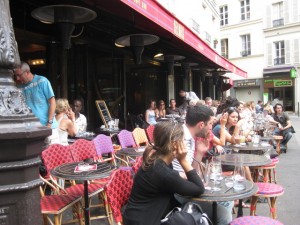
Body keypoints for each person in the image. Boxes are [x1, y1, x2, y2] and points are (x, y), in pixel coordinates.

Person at [123, 121, 205, 225]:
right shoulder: (163, 172)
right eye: (183, 140)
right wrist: (182, 160)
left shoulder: (157, 161)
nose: (185, 144)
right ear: (175, 144)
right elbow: (199, 188)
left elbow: (170, 178)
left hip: (135, 217)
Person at [172, 105, 233, 225]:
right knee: (224, 215)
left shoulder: (190, 137)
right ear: (201, 125)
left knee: (227, 201)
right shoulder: (181, 138)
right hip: (178, 194)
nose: (211, 128)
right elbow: (179, 177)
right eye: (210, 124)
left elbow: (190, 171)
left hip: (187, 187)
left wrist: (200, 152)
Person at [14, 61, 59, 143]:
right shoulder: (19, 87)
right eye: (16, 76)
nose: (17, 78)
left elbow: (52, 102)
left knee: (51, 154)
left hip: (47, 127)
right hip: (32, 130)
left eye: (19, 75)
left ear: (27, 72)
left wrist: (49, 124)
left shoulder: (42, 81)